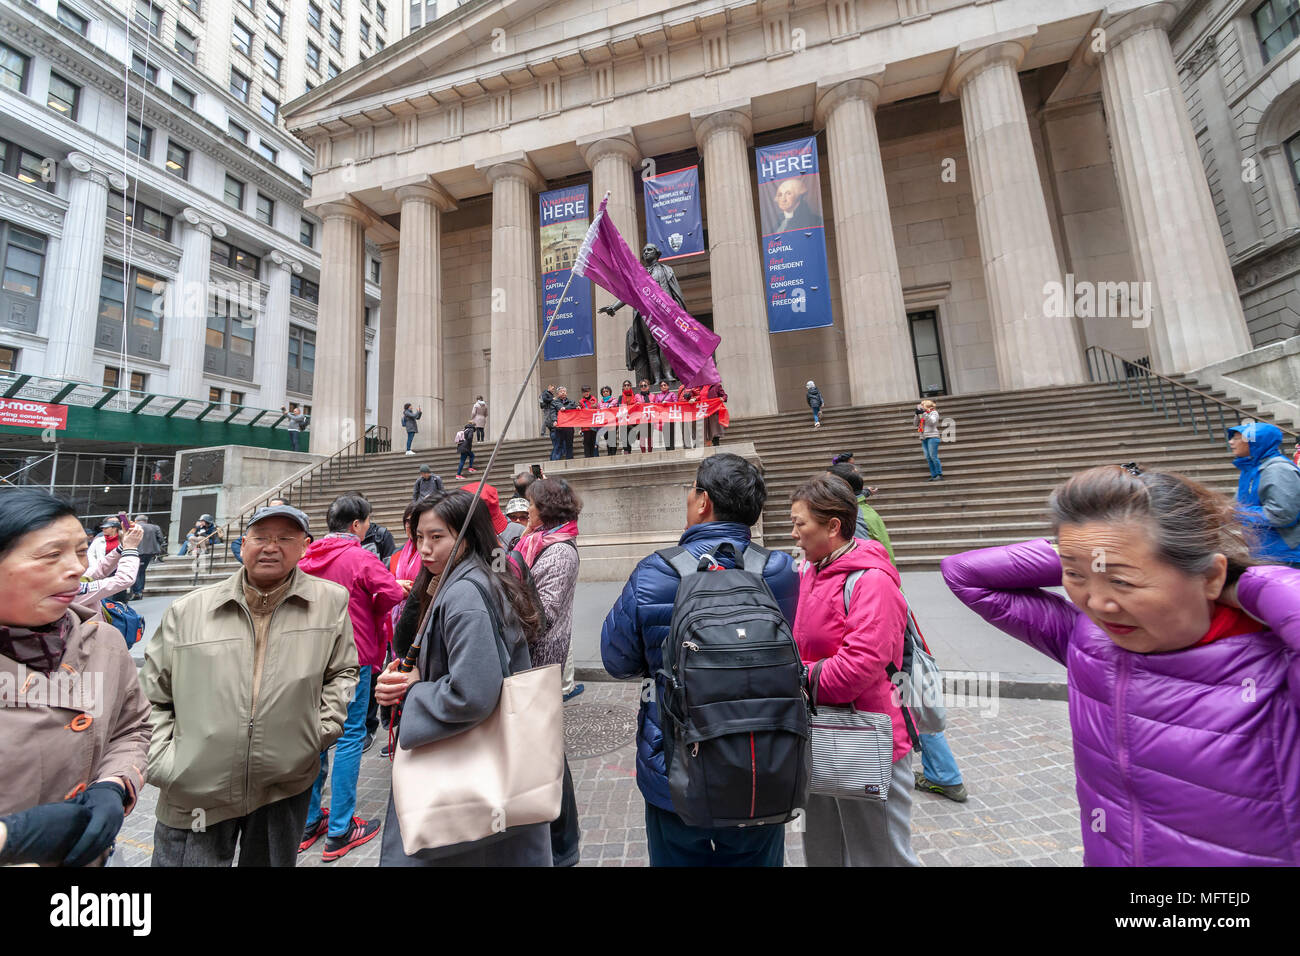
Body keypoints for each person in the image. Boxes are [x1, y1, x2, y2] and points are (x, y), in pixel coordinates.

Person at [941, 464, 1300, 865]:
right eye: (1074, 576)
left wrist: (1251, 583)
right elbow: (966, 574)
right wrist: (1087, 553)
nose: (1098, 604)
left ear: (1212, 575)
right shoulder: (1090, 641)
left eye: (1123, 582)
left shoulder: (1278, 664)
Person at [601, 453, 799, 866]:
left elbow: (616, 660)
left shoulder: (655, 572)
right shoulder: (779, 570)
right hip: (763, 765)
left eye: (692, 491)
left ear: (703, 501)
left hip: (675, 768)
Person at [142, 504, 358, 867]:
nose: (271, 547)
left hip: (284, 784)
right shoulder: (188, 611)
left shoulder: (329, 603)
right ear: (243, 545)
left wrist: (318, 733)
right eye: (261, 537)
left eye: (285, 538)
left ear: (305, 546)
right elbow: (151, 696)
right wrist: (166, 763)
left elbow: (342, 672)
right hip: (194, 787)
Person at [375, 490, 552, 866]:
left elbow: (472, 692)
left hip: (465, 768)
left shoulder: (463, 596)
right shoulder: (466, 580)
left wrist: (415, 690)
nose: (424, 548)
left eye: (437, 537)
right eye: (419, 537)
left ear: (466, 537)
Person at [0, 488, 151, 867]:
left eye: (81, 551)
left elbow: (131, 727)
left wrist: (114, 785)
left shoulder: (104, 641)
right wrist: (10, 836)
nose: (77, 569)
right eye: (52, 555)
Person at [789, 475, 920, 867]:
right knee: (824, 851)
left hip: (868, 739)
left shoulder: (872, 581)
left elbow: (855, 670)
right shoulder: (811, 572)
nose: (794, 534)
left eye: (801, 524)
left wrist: (797, 677)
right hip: (823, 733)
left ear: (833, 526)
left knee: (881, 856)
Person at [825, 463, 967, 802]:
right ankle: (943, 772)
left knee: (902, 690)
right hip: (892, 603)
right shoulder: (869, 513)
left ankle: (944, 774)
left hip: (880, 609)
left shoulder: (854, 522)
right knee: (906, 689)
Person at [297, 494, 405, 860]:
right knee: (349, 736)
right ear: (357, 525)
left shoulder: (307, 557)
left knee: (315, 736)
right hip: (352, 656)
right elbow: (390, 591)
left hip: (311, 656)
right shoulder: (360, 556)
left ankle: (310, 821)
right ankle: (341, 829)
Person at [514, 477, 583, 864]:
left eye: (531, 505)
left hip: (541, 662)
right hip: (531, 662)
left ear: (547, 509)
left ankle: (563, 843)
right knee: (545, 752)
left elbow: (543, 614)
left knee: (549, 757)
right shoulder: (535, 541)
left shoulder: (559, 553)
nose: (527, 511)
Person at [1227, 422, 1300, 567]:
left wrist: (1238, 513)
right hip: (1266, 551)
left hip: (1286, 555)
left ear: (1255, 442)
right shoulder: (1251, 470)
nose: (1231, 442)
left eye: (1237, 438)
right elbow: (1239, 504)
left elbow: (1282, 514)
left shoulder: (1278, 470)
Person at [75, 524, 143, 608]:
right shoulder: (69, 591)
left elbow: (99, 569)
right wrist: (130, 548)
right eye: (81, 552)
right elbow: (123, 580)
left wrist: (123, 547)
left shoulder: (72, 582)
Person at [130, 513, 165, 599]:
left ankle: (137, 592)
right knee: (141, 571)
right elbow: (161, 539)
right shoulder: (155, 527)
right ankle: (140, 590)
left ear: (136, 520)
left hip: (136, 551)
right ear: (146, 521)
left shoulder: (133, 527)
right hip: (150, 552)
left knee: (136, 571)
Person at [914, 399, 943, 481]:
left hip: (932, 437)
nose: (921, 407)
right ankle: (934, 475)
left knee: (933, 456)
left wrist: (924, 414)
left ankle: (939, 474)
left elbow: (932, 422)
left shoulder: (934, 413)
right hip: (924, 437)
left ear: (926, 406)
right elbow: (915, 424)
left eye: (922, 405)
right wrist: (917, 415)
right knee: (928, 457)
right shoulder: (922, 414)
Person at [700, 380, 728, 447]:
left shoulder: (716, 385)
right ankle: (710, 446)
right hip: (704, 412)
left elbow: (725, 396)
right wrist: (694, 399)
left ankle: (716, 446)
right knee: (707, 430)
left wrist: (722, 398)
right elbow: (700, 397)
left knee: (714, 429)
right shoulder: (702, 387)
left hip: (714, 410)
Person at [578, 385, 600, 458]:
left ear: (589, 391)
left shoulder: (594, 399)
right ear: (582, 393)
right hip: (585, 425)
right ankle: (587, 457)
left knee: (593, 441)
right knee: (586, 441)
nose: (586, 393)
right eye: (584, 391)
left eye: (587, 391)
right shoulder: (581, 402)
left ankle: (593, 456)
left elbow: (597, 409)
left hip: (593, 423)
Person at [655, 380, 678, 451]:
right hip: (662, 417)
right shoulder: (658, 395)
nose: (663, 386)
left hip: (670, 416)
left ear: (668, 386)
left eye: (665, 385)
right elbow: (656, 405)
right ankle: (667, 449)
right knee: (665, 433)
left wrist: (667, 403)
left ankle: (672, 449)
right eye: (661, 385)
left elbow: (676, 403)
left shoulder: (672, 394)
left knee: (671, 433)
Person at [598, 385, 619, 455]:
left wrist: (609, 406)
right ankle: (609, 452)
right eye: (603, 392)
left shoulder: (614, 400)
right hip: (605, 423)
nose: (605, 393)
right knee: (606, 436)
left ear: (610, 392)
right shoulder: (600, 403)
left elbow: (613, 404)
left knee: (612, 437)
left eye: (607, 391)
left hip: (613, 422)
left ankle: (613, 453)